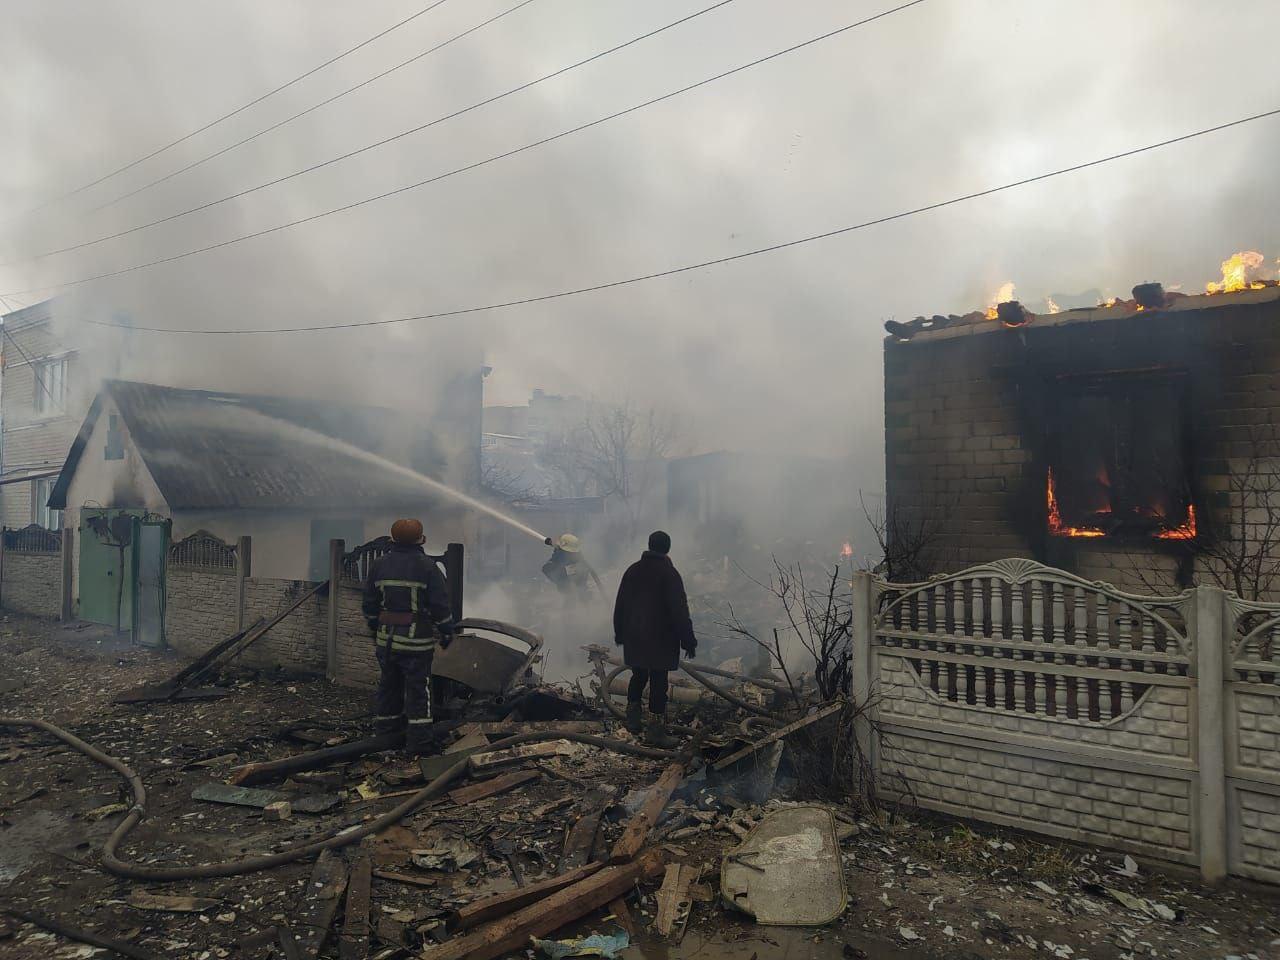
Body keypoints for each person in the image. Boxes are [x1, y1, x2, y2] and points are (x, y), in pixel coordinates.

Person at [362, 518, 455, 754]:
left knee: (388, 687)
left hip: (386, 641)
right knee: (418, 691)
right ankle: (419, 743)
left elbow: (369, 605)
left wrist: (375, 628)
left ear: (392, 539)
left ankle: (386, 736)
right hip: (416, 643)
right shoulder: (427, 568)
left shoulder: (378, 566)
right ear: (421, 540)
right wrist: (447, 632)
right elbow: (440, 606)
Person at [612, 530, 696, 748]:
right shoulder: (670, 574)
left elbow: (620, 605)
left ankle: (633, 721)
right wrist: (688, 641)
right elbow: (679, 611)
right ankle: (656, 732)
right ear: (667, 548)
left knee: (638, 675)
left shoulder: (632, 571)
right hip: (661, 639)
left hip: (635, 637)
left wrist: (619, 633)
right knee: (659, 683)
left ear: (649, 546)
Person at [541, 533, 604, 600]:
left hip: (570, 579)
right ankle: (580, 594)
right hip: (576, 578)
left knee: (547, 568)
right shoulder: (576, 554)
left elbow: (551, 565)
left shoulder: (562, 555)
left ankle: (573, 594)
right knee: (580, 586)